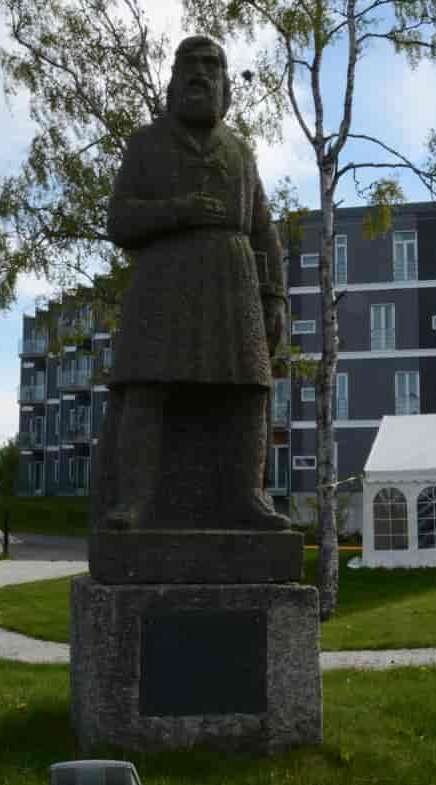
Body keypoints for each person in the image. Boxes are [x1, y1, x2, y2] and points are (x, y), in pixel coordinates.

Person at [98, 35, 289, 531]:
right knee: (146, 389)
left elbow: (264, 229)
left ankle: (248, 496)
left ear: (227, 87)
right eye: (190, 65)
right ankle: (134, 502)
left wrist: (276, 295)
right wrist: (179, 210)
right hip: (163, 284)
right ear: (173, 82)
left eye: (212, 66)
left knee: (250, 390)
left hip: (233, 285)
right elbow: (119, 220)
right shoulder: (145, 144)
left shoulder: (241, 153)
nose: (201, 74)